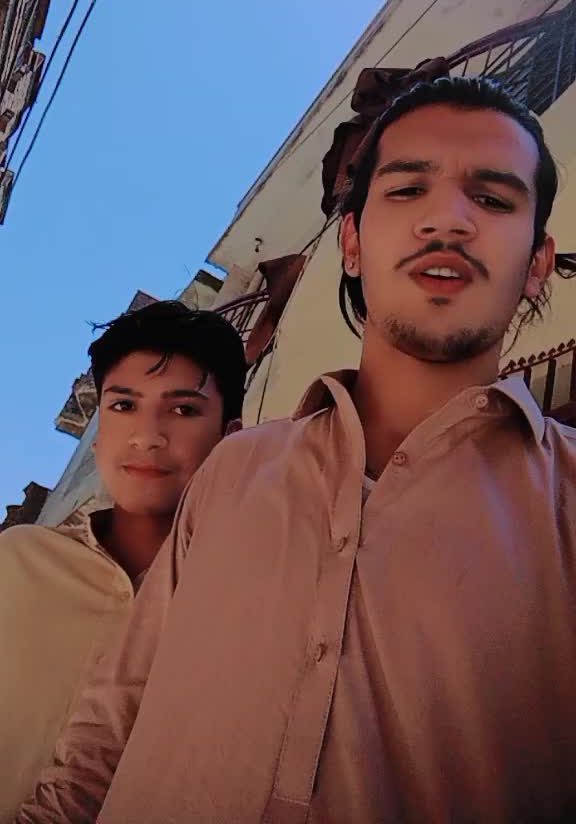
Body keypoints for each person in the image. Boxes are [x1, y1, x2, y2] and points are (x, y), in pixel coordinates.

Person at [16, 76, 576, 824]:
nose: (448, 218)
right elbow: (104, 737)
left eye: (494, 199)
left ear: (538, 262)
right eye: (408, 190)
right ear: (351, 243)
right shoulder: (234, 469)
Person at [0, 301, 246, 822]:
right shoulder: (17, 563)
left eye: (184, 410)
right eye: (123, 405)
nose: (146, 435)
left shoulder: (246, 601)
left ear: (231, 438)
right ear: (97, 437)